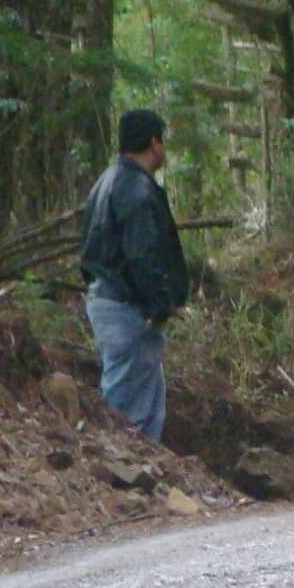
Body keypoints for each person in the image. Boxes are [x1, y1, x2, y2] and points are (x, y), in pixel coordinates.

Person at [80, 108, 190, 441]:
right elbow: (143, 252)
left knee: (147, 401)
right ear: (154, 142)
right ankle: (119, 480)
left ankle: (144, 481)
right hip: (127, 307)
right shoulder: (136, 190)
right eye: (163, 141)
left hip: (107, 300)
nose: (165, 150)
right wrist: (158, 306)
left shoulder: (107, 182)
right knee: (128, 412)